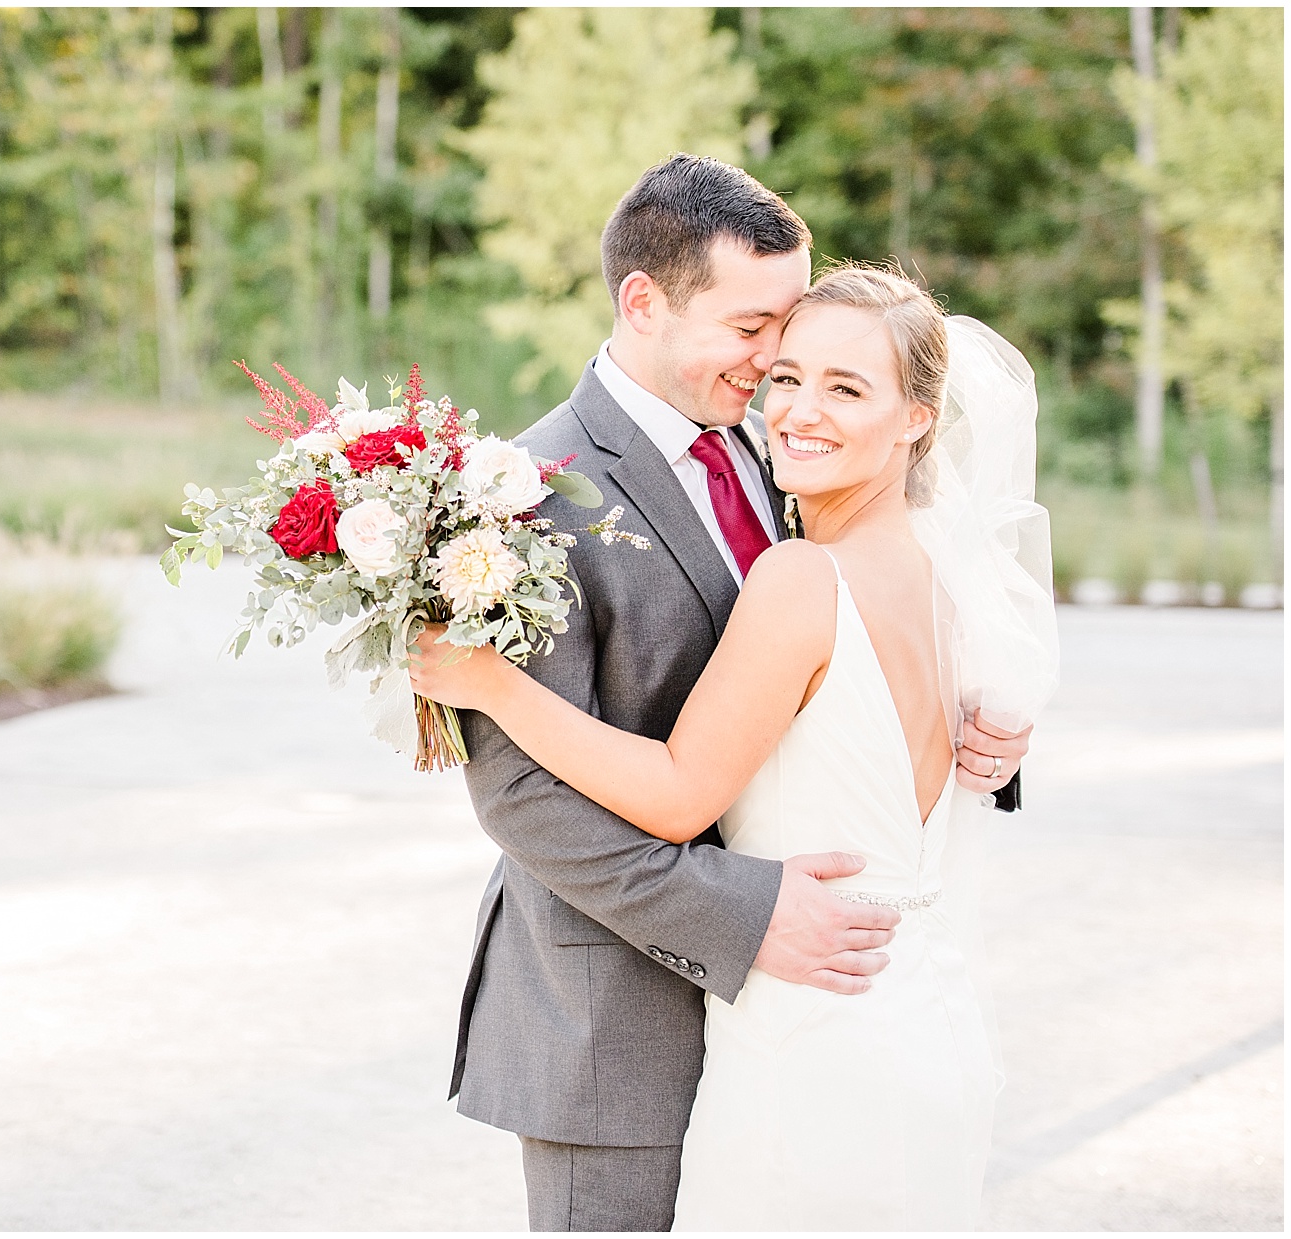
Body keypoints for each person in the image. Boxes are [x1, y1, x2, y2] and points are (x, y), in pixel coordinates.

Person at [420, 155, 1035, 1232]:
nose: (776, 375)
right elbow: (517, 799)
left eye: (798, 345)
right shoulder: (524, 497)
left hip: (813, 1014)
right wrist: (739, 916)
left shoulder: (778, 459)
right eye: (757, 334)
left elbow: (843, 682)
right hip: (620, 1027)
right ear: (644, 301)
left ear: (914, 418)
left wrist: (981, 729)